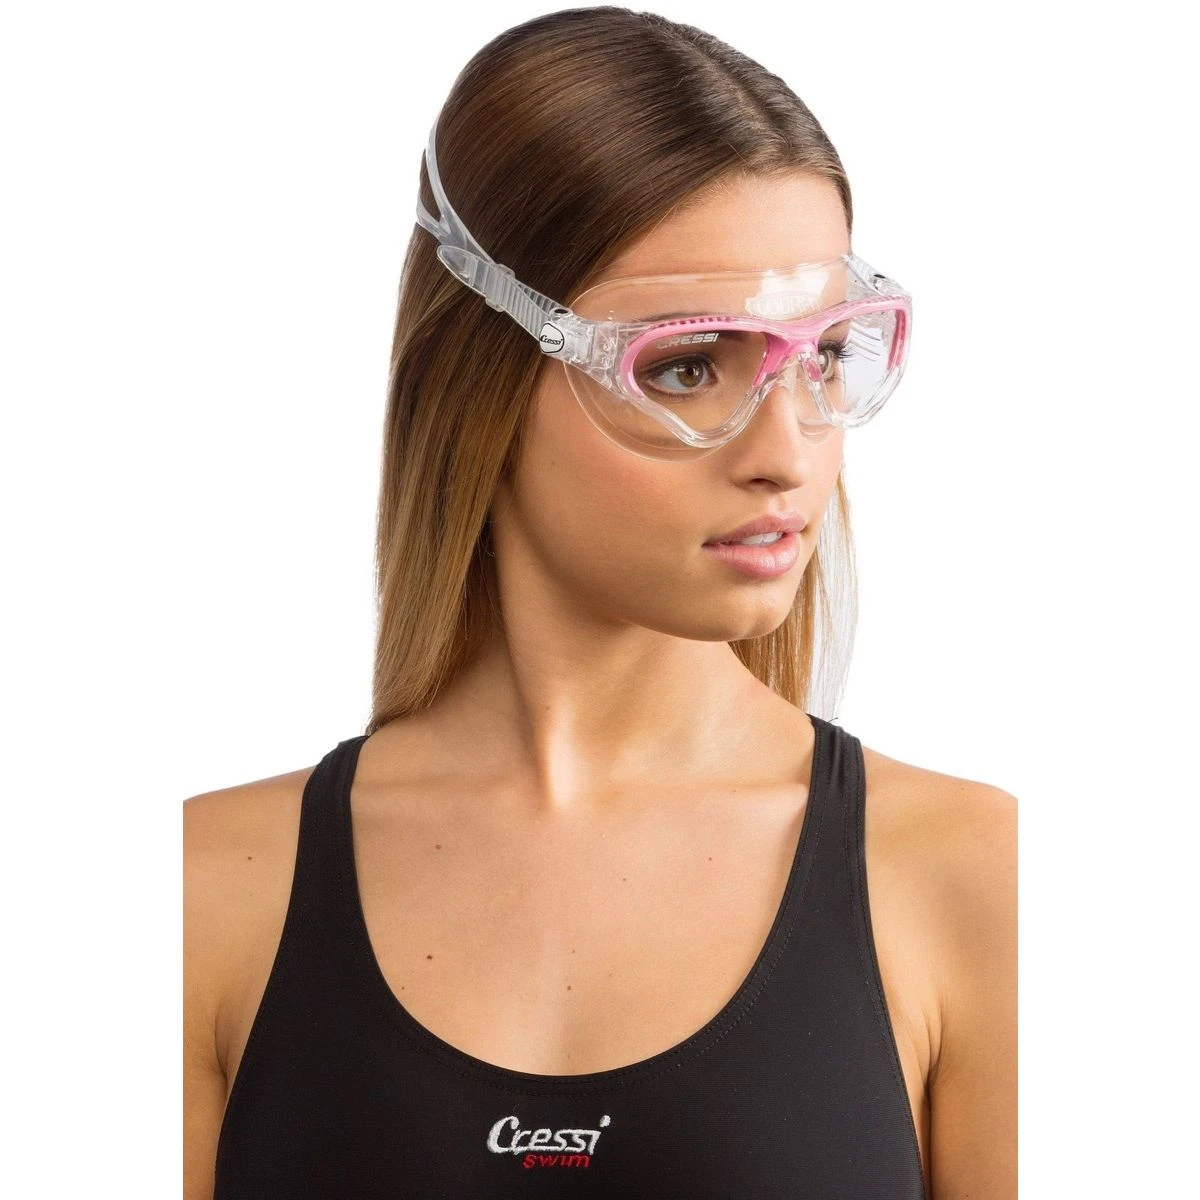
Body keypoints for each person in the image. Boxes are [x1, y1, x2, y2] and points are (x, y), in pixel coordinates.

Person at [184, 7, 1016, 1198]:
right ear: (478, 377)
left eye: (826, 355)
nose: (786, 452)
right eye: (687, 365)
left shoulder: (972, 881)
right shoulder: (204, 896)